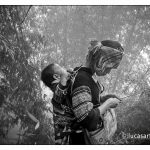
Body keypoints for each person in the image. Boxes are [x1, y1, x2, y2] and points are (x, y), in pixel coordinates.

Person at [69, 40, 124, 144]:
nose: (108, 72)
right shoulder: (82, 79)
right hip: (82, 140)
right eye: (109, 67)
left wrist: (103, 98)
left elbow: (86, 101)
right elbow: (86, 119)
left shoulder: (87, 74)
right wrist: (108, 104)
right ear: (101, 60)